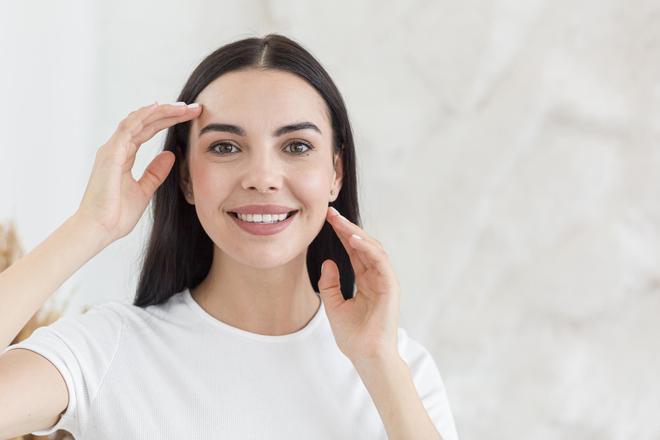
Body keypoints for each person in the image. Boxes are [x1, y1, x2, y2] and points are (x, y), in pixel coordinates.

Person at [0, 34, 459, 439]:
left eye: (296, 146)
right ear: (184, 179)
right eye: (225, 147)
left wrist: (377, 361)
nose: (262, 177)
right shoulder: (107, 350)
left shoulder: (398, 366)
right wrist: (90, 228)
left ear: (335, 173)